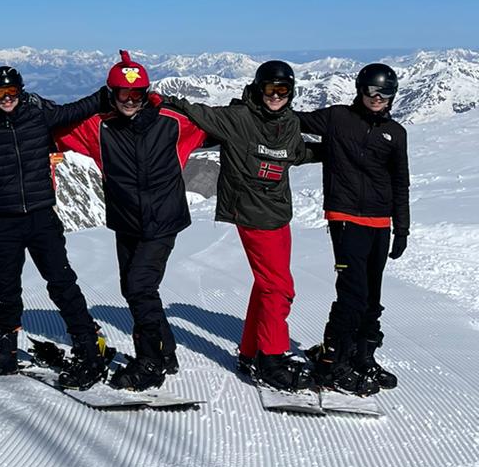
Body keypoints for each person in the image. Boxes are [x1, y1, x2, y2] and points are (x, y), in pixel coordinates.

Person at [54, 52, 207, 390]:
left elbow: (216, 127)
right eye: (123, 93)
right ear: (112, 93)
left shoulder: (172, 122)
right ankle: (165, 350)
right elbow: (55, 126)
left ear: (146, 94)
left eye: (136, 94)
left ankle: (150, 362)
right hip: (126, 222)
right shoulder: (98, 127)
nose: (130, 100)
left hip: (163, 220)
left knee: (139, 286)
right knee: (134, 287)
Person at [0, 64, 112, 387]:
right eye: (1, 92)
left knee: (61, 282)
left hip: (42, 217)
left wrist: (108, 93)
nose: (8, 98)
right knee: (5, 289)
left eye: (13, 91)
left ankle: (88, 347)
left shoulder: (39, 115)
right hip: (4, 220)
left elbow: (77, 109)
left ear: (21, 91)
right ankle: (4, 353)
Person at [164, 60, 316, 390]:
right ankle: (271, 358)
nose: (275, 96)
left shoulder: (290, 122)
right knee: (280, 288)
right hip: (251, 214)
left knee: (267, 284)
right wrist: (155, 99)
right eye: (270, 89)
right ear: (258, 89)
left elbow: (297, 153)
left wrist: (340, 151)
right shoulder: (238, 118)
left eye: (283, 90)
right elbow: (194, 112)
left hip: (279, 213)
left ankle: (250, 352)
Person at [297, 62, 410, 393]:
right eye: (371, 91)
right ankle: (333, 361)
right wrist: (252, 105)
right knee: (353, 294)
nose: (377, 98)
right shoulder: (337, 118)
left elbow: (400, 183)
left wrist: (402, 229)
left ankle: (363, 356)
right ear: (360, 90)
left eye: (384, 93)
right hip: (345, 218)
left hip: (380, 222)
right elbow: (293, 118)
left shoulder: (396, 133)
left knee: (372, 296)